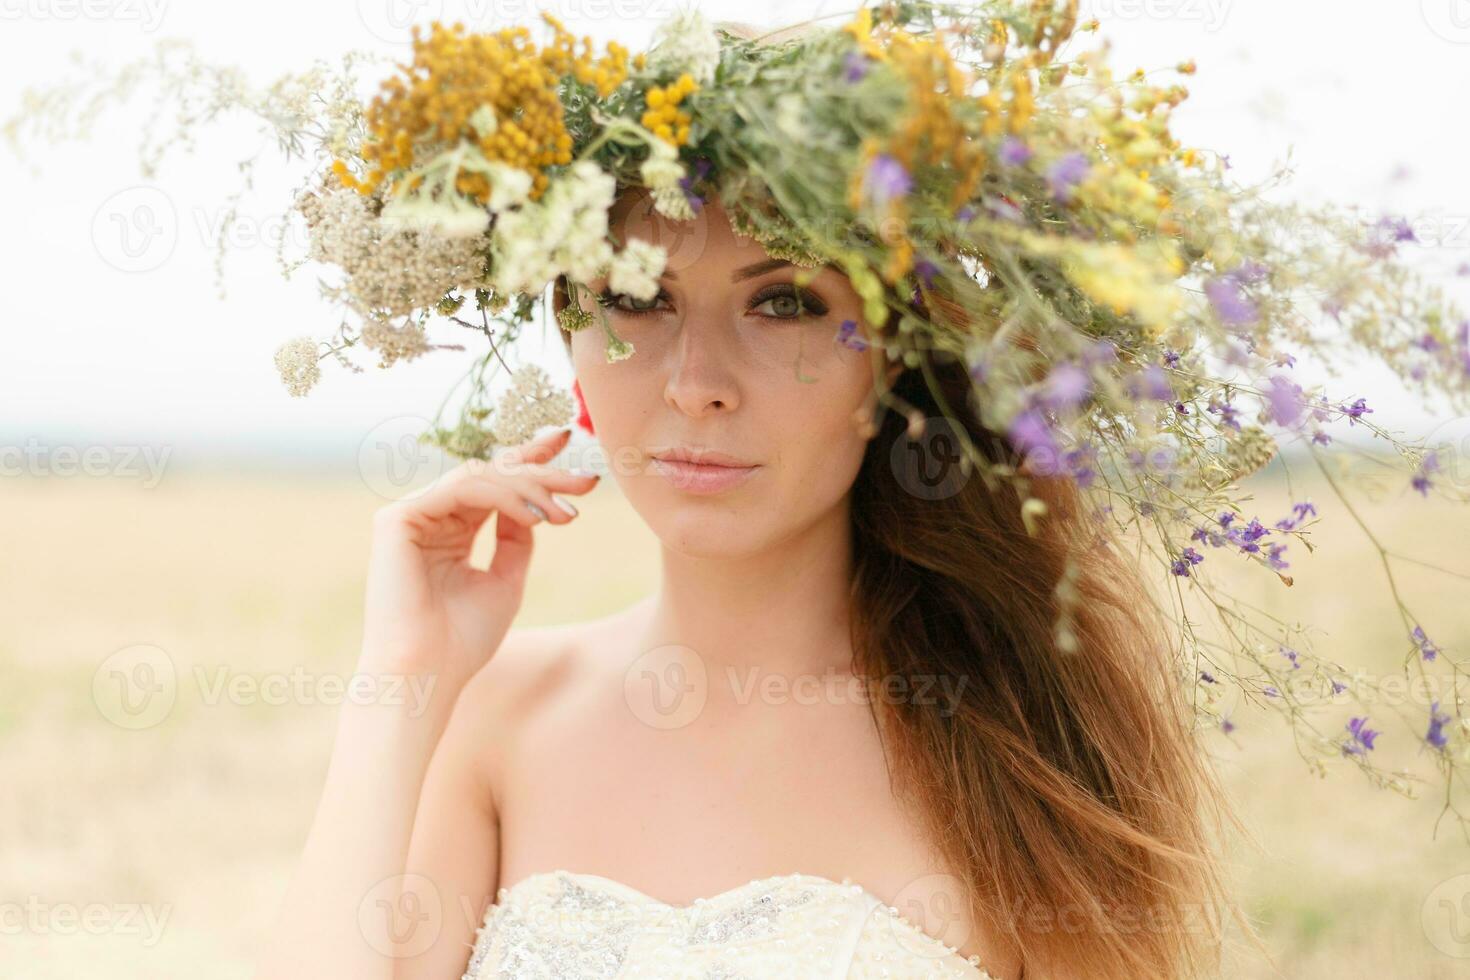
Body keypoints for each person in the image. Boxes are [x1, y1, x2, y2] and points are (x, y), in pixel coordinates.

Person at [256, 171, 1245, 980]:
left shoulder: (1012, 739)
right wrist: (401, 680)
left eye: (783, 303)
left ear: (891, 361)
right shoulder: (497, 717)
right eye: (640, 299)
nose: (696, 383)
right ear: (573, 344)